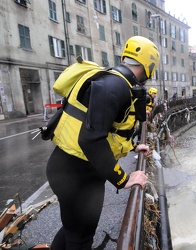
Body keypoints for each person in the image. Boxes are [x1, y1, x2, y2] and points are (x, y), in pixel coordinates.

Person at [46, 36, 160, 250]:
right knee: (80, 237)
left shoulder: (113, 81)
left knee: (72, 230)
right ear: (149, 65)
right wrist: (123, 179)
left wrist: (134, 146)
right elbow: (90, 138)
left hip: (70, 169)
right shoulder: (115, 86)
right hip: (78, 176)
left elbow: (108, 131)